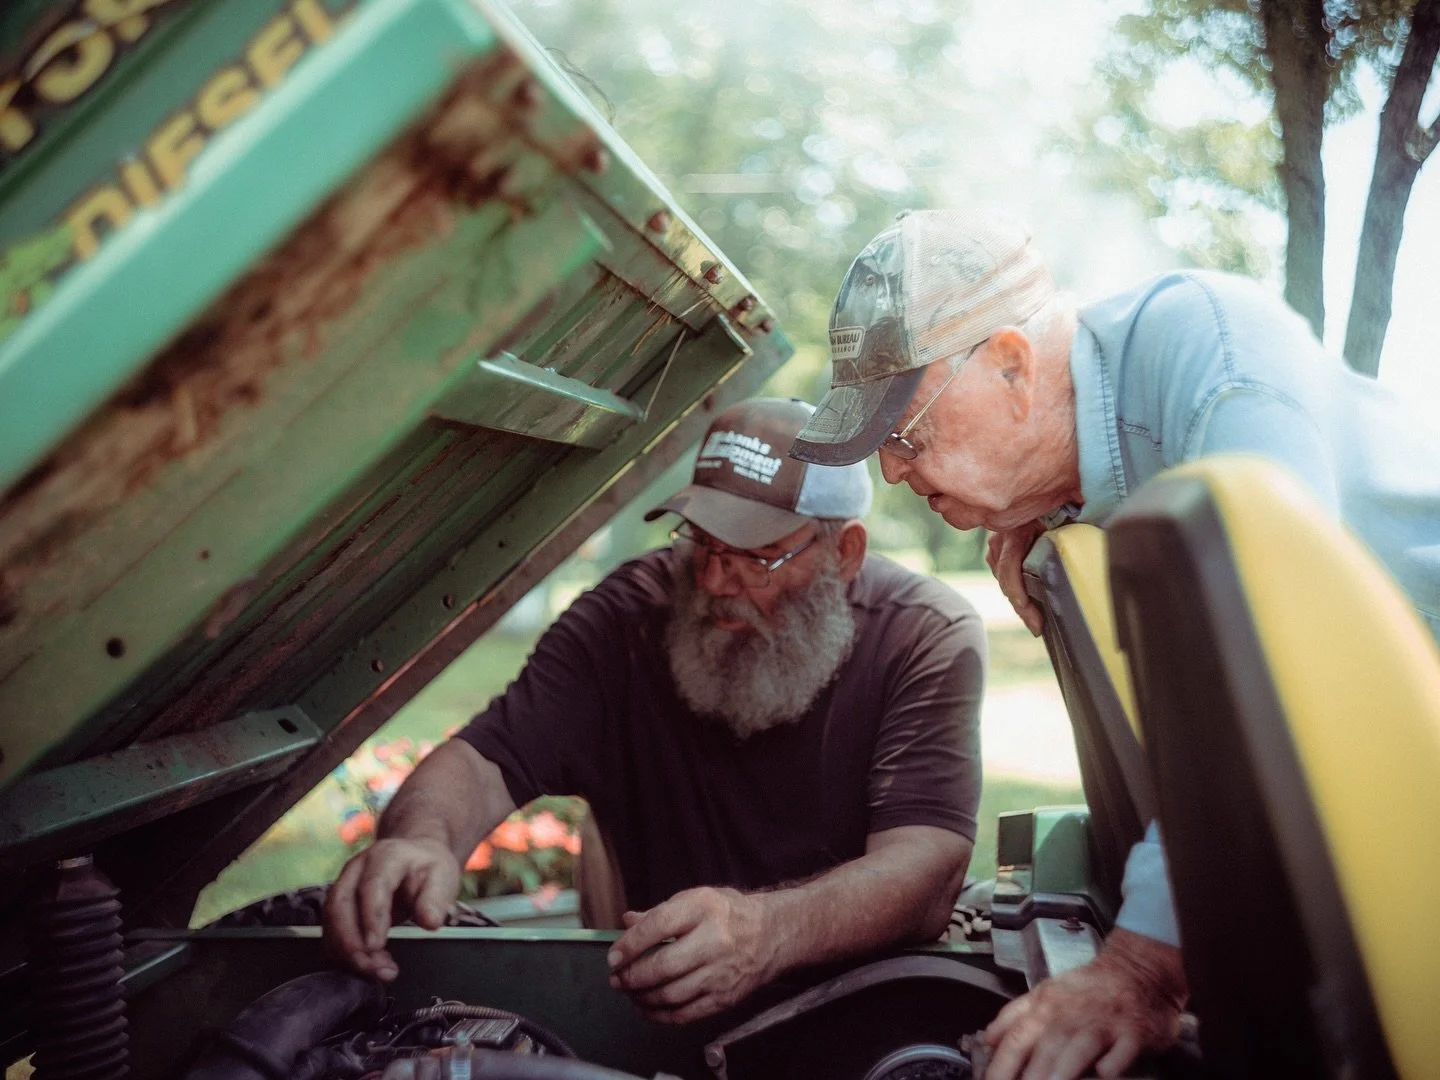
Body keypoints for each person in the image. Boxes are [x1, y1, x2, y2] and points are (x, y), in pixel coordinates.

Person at [789, 209, 1440, 1080]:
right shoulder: (1091, 443)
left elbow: (1271, 683)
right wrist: (1047, 507)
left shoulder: (1213, 357)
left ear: (1014, 365)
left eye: (904, 435)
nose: (895, 474)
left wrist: (1142, 965)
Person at [324, 396, 986, 1025]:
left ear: (844, 554)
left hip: (863, 1012)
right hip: (655, 1021)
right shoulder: (625, 622)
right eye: (700, 542)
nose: (712, 583)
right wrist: (421, 840)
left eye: (754, 557)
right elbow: (482, 761)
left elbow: (925, 866)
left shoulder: (922, 637)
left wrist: (767, 932)